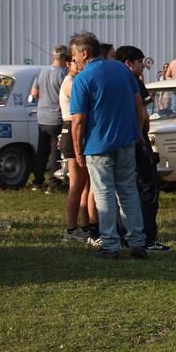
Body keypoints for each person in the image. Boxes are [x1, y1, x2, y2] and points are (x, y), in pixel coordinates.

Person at [69, 31, 148, 260]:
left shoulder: (83, 79)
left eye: (75, 56)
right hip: (125, 140)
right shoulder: (122, 70)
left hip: (97, 144)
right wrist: (136, 132)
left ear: (85, 53)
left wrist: (77, 150)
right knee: (128, 191)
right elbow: (138, 105)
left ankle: (110, 244)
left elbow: (78, 121)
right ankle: (137, 241)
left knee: (103, 193)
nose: (74, 61)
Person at [116, 45, 170, 251]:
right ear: (129, 63)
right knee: (147, 191)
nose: (143, 67)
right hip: (137, 143)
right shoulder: (134, 82)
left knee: (123, 191)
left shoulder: (114, 82)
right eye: (140, 63)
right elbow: (143, 115)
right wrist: (140, 137)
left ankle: (123, 235)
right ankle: (147, 237)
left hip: (119, 142)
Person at [59, 53, 94, 242]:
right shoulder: (70, 83)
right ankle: (71, 229)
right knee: (77, 185)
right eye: (73, 61)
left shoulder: (77, 80)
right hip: (71, 130)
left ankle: (86, 224)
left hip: (79, 130)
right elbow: (83, 104)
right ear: (67, 64)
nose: (78, 64)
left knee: (86, 183)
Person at [29, 45, 69, 192]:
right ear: (65, 58)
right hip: (56, 117)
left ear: (53, 57)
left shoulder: (42, 72)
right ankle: (53, 183)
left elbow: (34, 93)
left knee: (42, 150)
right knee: (55, 151)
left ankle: (37, 181)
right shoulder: (64, 74)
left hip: (42, 117)